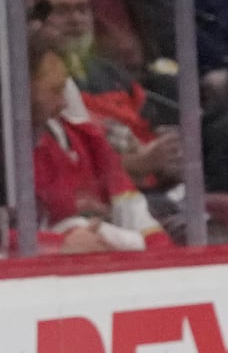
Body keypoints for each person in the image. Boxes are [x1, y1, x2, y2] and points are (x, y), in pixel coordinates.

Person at [26, 35, 166, 253]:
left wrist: (164, 258)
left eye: (64, 89)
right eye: (54, 90)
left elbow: (132, 210)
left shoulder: (83, 137)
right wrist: (56, 243)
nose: (63, 102)